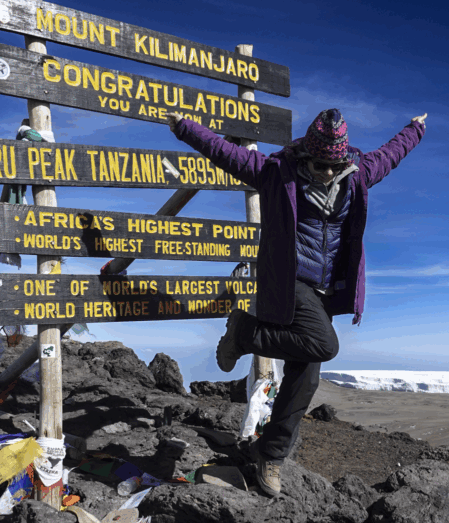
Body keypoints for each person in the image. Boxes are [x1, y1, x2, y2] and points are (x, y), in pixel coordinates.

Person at [164, 108, 427, 496]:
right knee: (326, 345)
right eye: (318, 165)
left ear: (343, 159)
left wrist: (415, 130)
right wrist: (184, 127)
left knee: (307, 377)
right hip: (288, 281)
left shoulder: (357, 175)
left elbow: (391, 153)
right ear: (306, 155)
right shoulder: (277, 172)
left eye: (331, 166)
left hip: (324, 291)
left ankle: (268, 454)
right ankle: (246, 333)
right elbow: (225, 153)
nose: (324, 173)